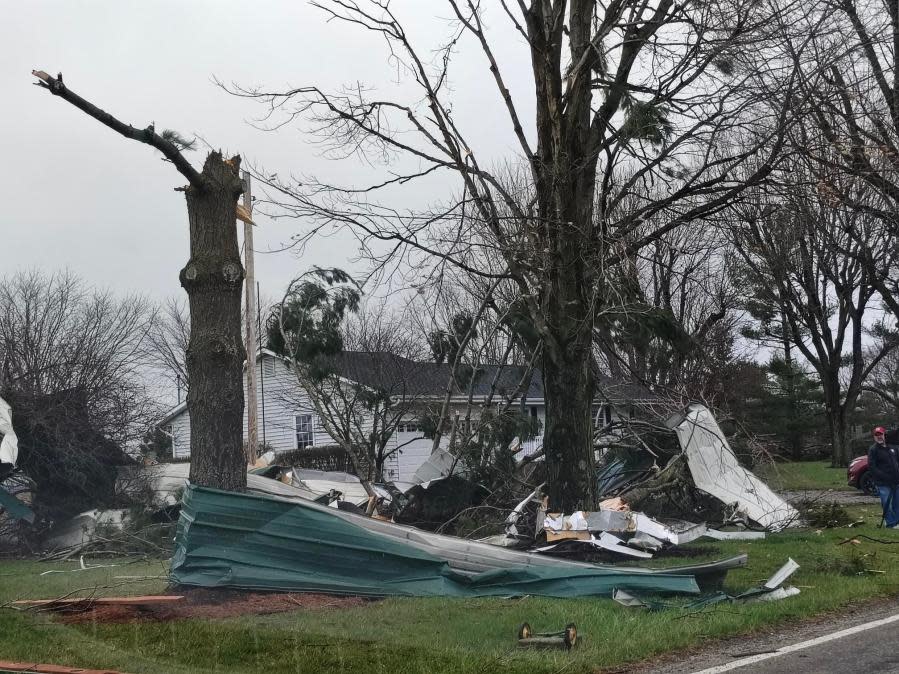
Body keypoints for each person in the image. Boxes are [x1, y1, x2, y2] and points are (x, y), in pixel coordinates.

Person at [868, 426, 899, 528]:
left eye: (880, 434)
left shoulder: (893, 447)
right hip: (883, 483)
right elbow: (872, 467)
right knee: (886, 503)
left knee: (897, 503)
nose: (879, 437)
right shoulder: (873, 450)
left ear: (884, 435)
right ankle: (891, 523)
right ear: (874, 437)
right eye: (876, 435)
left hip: (896, 481)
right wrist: (885, 477)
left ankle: (896, 521)